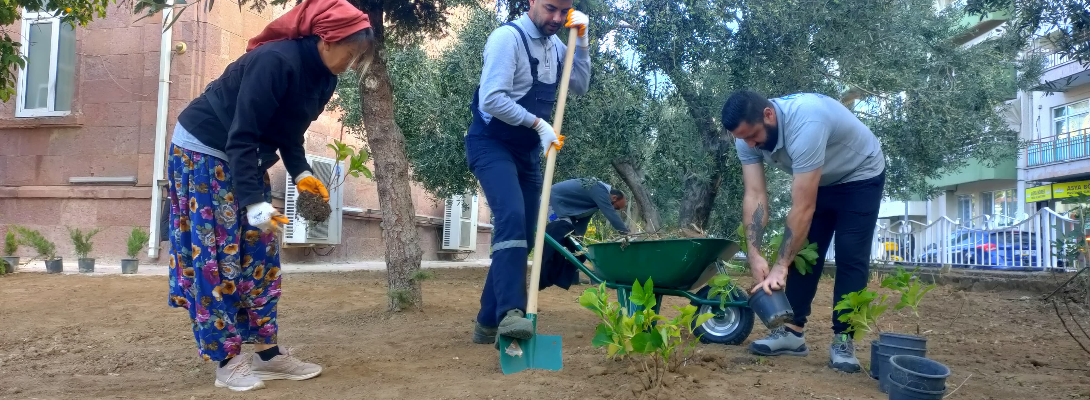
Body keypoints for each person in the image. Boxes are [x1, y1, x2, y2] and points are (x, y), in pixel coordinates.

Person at [165, 0, 375, 391]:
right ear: (326, 39)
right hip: (204, 150)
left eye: (358, 57)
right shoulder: (275, 61)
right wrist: (256, 203)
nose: (352, 62)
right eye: (350, 52)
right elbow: (241, 135)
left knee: (261, 253)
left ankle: (267, 354)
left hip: (242, 156)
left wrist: (306, 179)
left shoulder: (324, 79)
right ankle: (226, 361)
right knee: (218, 257)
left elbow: (289, 137)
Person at [722, 91, 886, 373]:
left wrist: (780, 266)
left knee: (850, 256)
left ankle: (844, 339)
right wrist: (754, 253)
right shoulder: (746, 139)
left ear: (769, 115)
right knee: (805, 253)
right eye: (743, 139)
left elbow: (803, 207)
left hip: (860, 175)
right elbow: (755, 195)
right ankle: (791, 333)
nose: (750, 144)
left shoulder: (807, 122)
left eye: (753, 136)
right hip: (822, 179)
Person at [466, 0, 592, 345]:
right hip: (490, 144)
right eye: (550, 8)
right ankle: (511, 315)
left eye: (564, 12)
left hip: (525, 153)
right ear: (531, 2)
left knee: (529, 230)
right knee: (511, 216)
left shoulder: (555, 45)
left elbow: (578, 85)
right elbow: (491, 99)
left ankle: (485, 322)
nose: (556, 18)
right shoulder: (507, 39)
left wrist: (581, 43)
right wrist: (538, 124)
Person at [539, 178, 629, 288]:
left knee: (579, 254)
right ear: (614, 197)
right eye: (616, 207)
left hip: (565, 210)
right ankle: (545, 278)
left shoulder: (594, 202)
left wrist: (579, 241)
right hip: (551, 202)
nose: (614, 210)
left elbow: (583, 221)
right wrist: (626, 234)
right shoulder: (599, 189)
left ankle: (560, 279)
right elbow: (610, 214)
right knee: (561, 231)